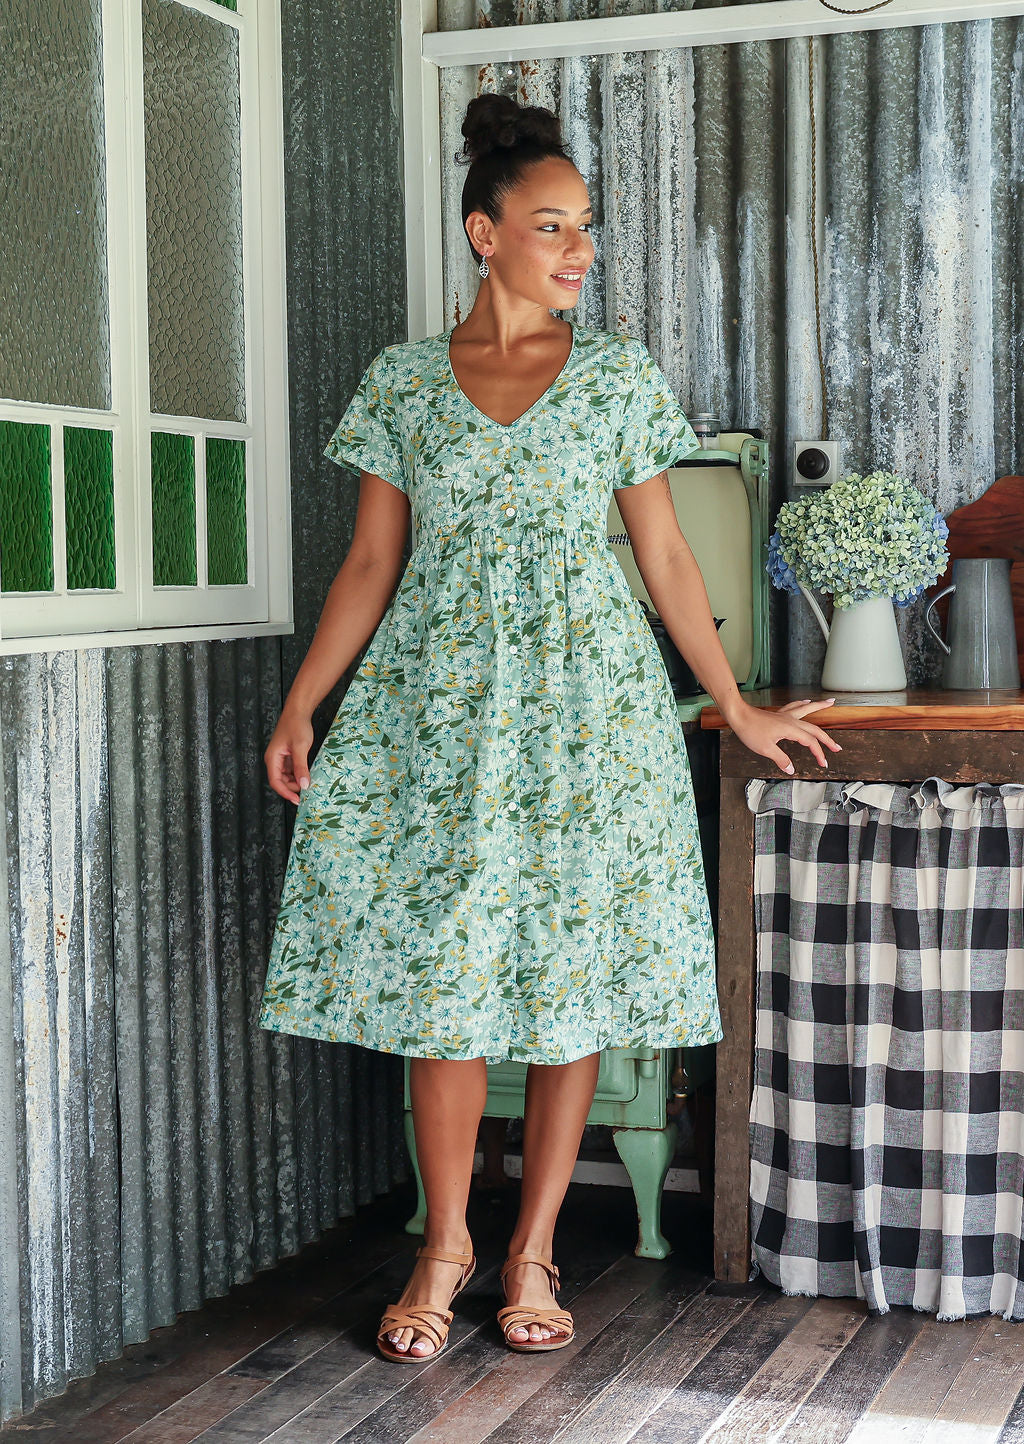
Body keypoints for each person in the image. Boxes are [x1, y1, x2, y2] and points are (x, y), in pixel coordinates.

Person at [258, 92, 839, 1363]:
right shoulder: (403, 382)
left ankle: (531, 1251)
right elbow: (370, 562)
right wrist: (304, 701)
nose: (580, 249)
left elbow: (667, 558)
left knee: (570, 975)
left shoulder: (618, 376)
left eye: (586, 226)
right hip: (437, 718)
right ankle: (445, 1246)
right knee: (443, 985)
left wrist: (734, 701)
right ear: (485, 232)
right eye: (552, 225)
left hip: (588, 717)